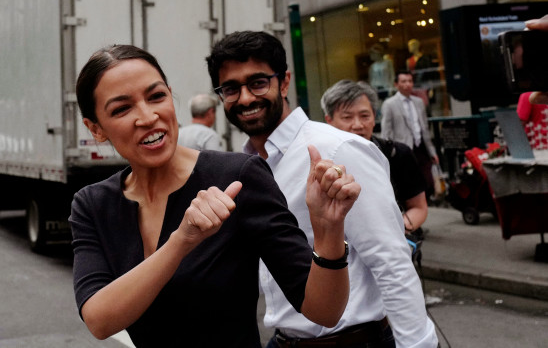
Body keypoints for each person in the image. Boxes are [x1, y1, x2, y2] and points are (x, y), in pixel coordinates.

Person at [70, 44, 361, 348]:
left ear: (171, 96)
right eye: (122, 109)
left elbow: (323, 311)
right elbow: (99, 320)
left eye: (156, 96)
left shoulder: (238, 175)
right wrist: (182, 241)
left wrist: (328, 229)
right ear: (96, 128)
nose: (148, 116)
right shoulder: (92, 204)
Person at [206, 31, 438, 348]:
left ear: (284, 82)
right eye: (231, 89)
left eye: (258, 83)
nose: (245, 98)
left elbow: (391, 260)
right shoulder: (247, 165)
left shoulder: (337, 148)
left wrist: (419, 345)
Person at [323, 79, 428, 236]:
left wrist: (397, 232)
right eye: (347, 117)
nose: (358, 125)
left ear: (374, 117)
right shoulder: (321, 162)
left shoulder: (397, 154)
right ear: (329, 121)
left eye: (365, 116)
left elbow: (419, 207)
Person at [381, 71, 439, 200]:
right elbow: (386, 131)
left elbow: (425, 128)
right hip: (403, 147)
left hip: (421, 145)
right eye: (403, 81)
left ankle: (425, 200)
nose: (407, 84)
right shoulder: (389, 104)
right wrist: (389, 152)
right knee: (408, 179)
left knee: (427, 177)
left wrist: (432, 151)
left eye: (410, 81)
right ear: (396, 84)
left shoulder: (418, 102)